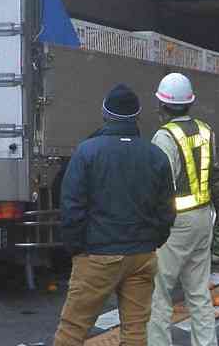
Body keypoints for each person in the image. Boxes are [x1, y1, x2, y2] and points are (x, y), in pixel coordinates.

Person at [54, 84, 175, 346]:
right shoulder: (155, 155)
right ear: (137, 116)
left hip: (98, 254)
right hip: (141, 255)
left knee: (72, 329)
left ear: (104, 114)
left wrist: (76, 248)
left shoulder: (86, 151)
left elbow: (72, 207)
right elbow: (167, 209)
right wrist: (153, 240)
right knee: (135, 330)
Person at [148, 73, 218, 346]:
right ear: (189, 102)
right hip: (203, 216)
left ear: (162, 105)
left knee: (159, 294)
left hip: (176, 222)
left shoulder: (164, 136)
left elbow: (160, 185)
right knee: (199, 293)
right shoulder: (206, 130)